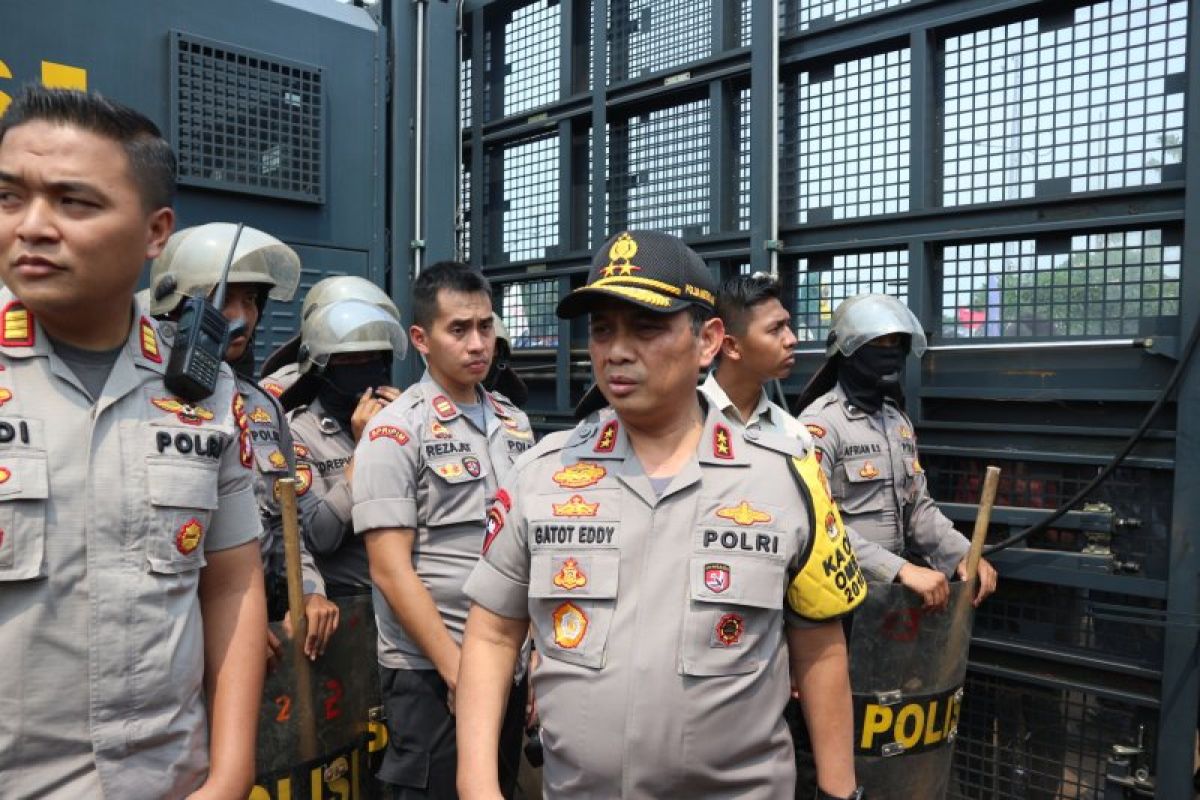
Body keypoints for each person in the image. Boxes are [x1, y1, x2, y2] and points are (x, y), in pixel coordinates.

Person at [456, 231, 864, 800]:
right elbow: (494, 634)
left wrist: (840, 791)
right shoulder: (542, 475)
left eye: (646, 328)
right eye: (602, 330)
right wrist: (477, 784)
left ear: (708, 341)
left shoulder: (788, 478)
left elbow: (819, 646)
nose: (617, 350)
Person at [0, 85, 265, 797]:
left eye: (73, 202)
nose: (33, 226)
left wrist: (232, 773)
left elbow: (233, 581)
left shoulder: (201, 389)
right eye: (10, 197)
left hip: (168, 778)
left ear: (156, 234)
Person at [352, 260, 534, 799]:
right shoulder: (395, 431)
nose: (478, 343)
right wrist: (460, 672)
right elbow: (389, 569)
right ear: (421, 339)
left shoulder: (515, 424)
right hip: (433, 670)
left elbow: (528, 550)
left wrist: (533, 657)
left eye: (485, 326)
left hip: (507, 661)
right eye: (458, 329)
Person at [148, 222, 340, 662]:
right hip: (171, 642)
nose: (241, 316)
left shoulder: (262, 407)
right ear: (178, 300)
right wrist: (228, 624)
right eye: (225, 297)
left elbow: (284, 523)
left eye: (251, 300)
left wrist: (307, 592)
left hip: (259, 632)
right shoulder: (141, 393)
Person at [794, 293, 998, 609]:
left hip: (891, 600)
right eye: (879, 344)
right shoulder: (820, 425)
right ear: (848, 350)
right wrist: (899, 569)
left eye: (897, 345)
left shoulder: (897, 422)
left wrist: (962, 553)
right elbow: (815, 524)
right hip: (838, 598)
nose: (890, 355)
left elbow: (917, 507)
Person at [286, 295, 406, 597]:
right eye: (348, 361)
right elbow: (319, 537)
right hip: (349, 599)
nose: (363, 369)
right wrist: (366, 450)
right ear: (322, 368)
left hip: (412, 591)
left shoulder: (402, 418)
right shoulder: (299, 432)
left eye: (371, 359)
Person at [260, 274, 400, 402]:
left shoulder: (387, 397)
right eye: (347, 357)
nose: (362, 364)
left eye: (371, 356)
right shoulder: (279, 391)